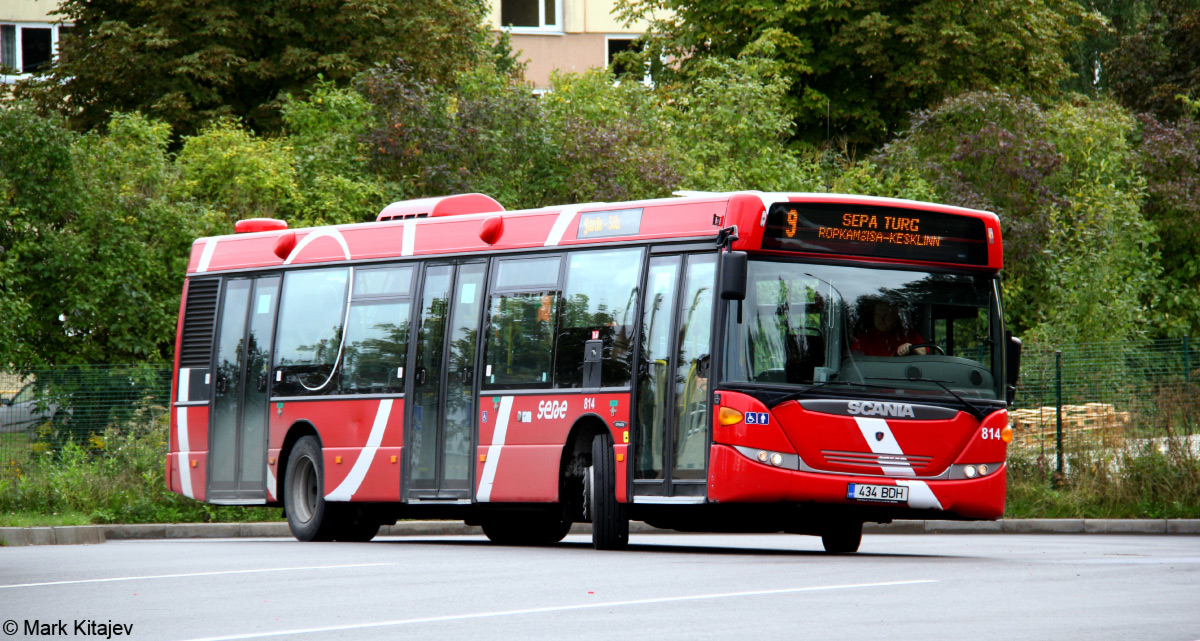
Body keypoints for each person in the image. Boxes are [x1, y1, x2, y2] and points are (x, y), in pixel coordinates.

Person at [851, 300, 927, 357]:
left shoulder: (909, 335)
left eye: (886, 315)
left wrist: (912, 348)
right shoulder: (862, 339)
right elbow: (854, 363)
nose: (881, 319)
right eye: (878, 314)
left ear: (895, 317)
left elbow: (923, 352)